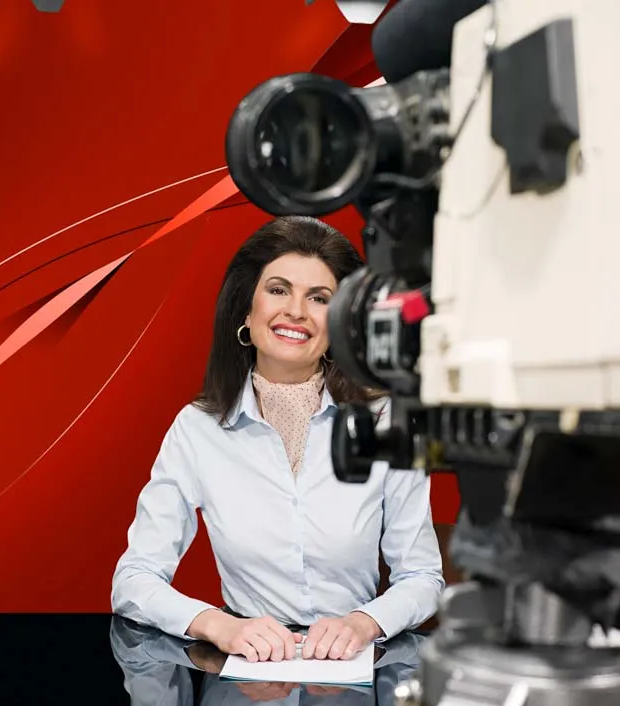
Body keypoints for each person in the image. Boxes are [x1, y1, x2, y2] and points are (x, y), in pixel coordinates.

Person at [111, 215, 444, 664]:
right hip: (244, 680)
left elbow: (423, 576)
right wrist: (219, 625)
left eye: (319, 298)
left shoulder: (385, 422)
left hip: (352, 680)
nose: (296, 312)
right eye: (278, 289)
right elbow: (134, 579)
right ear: (246, 310)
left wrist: (363, 623)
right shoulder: (197, 429)